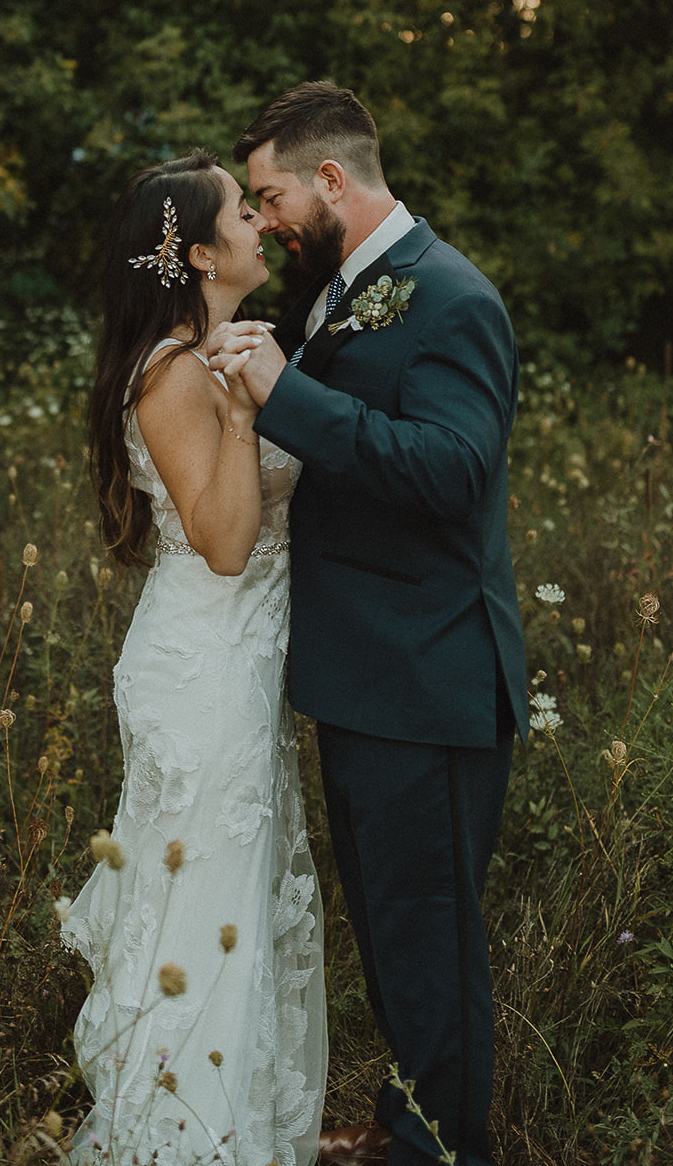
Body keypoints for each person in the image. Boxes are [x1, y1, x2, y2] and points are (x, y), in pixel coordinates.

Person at [208, 84, 529, 1166]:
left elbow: (451, 471)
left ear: (331, 180)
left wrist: (285, 394)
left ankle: (447, 1152)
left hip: (427, 682)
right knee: (396, 938)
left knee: (430, 942)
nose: (261, 221)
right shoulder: (344, 288)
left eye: (269, 196)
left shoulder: (448, 297)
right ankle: (407, 1129)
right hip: (365, 677)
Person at [62, 150, 327, 1166]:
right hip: (205, 659)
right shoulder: (174, 373)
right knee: (206, 908)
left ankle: (233, 1132)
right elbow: (222, 543)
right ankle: (184, 1144)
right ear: (203, 252)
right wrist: (251, 409)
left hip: (240, 657)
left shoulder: (209, 349)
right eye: (241, 216)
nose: (262, 225)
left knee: (234, 903)